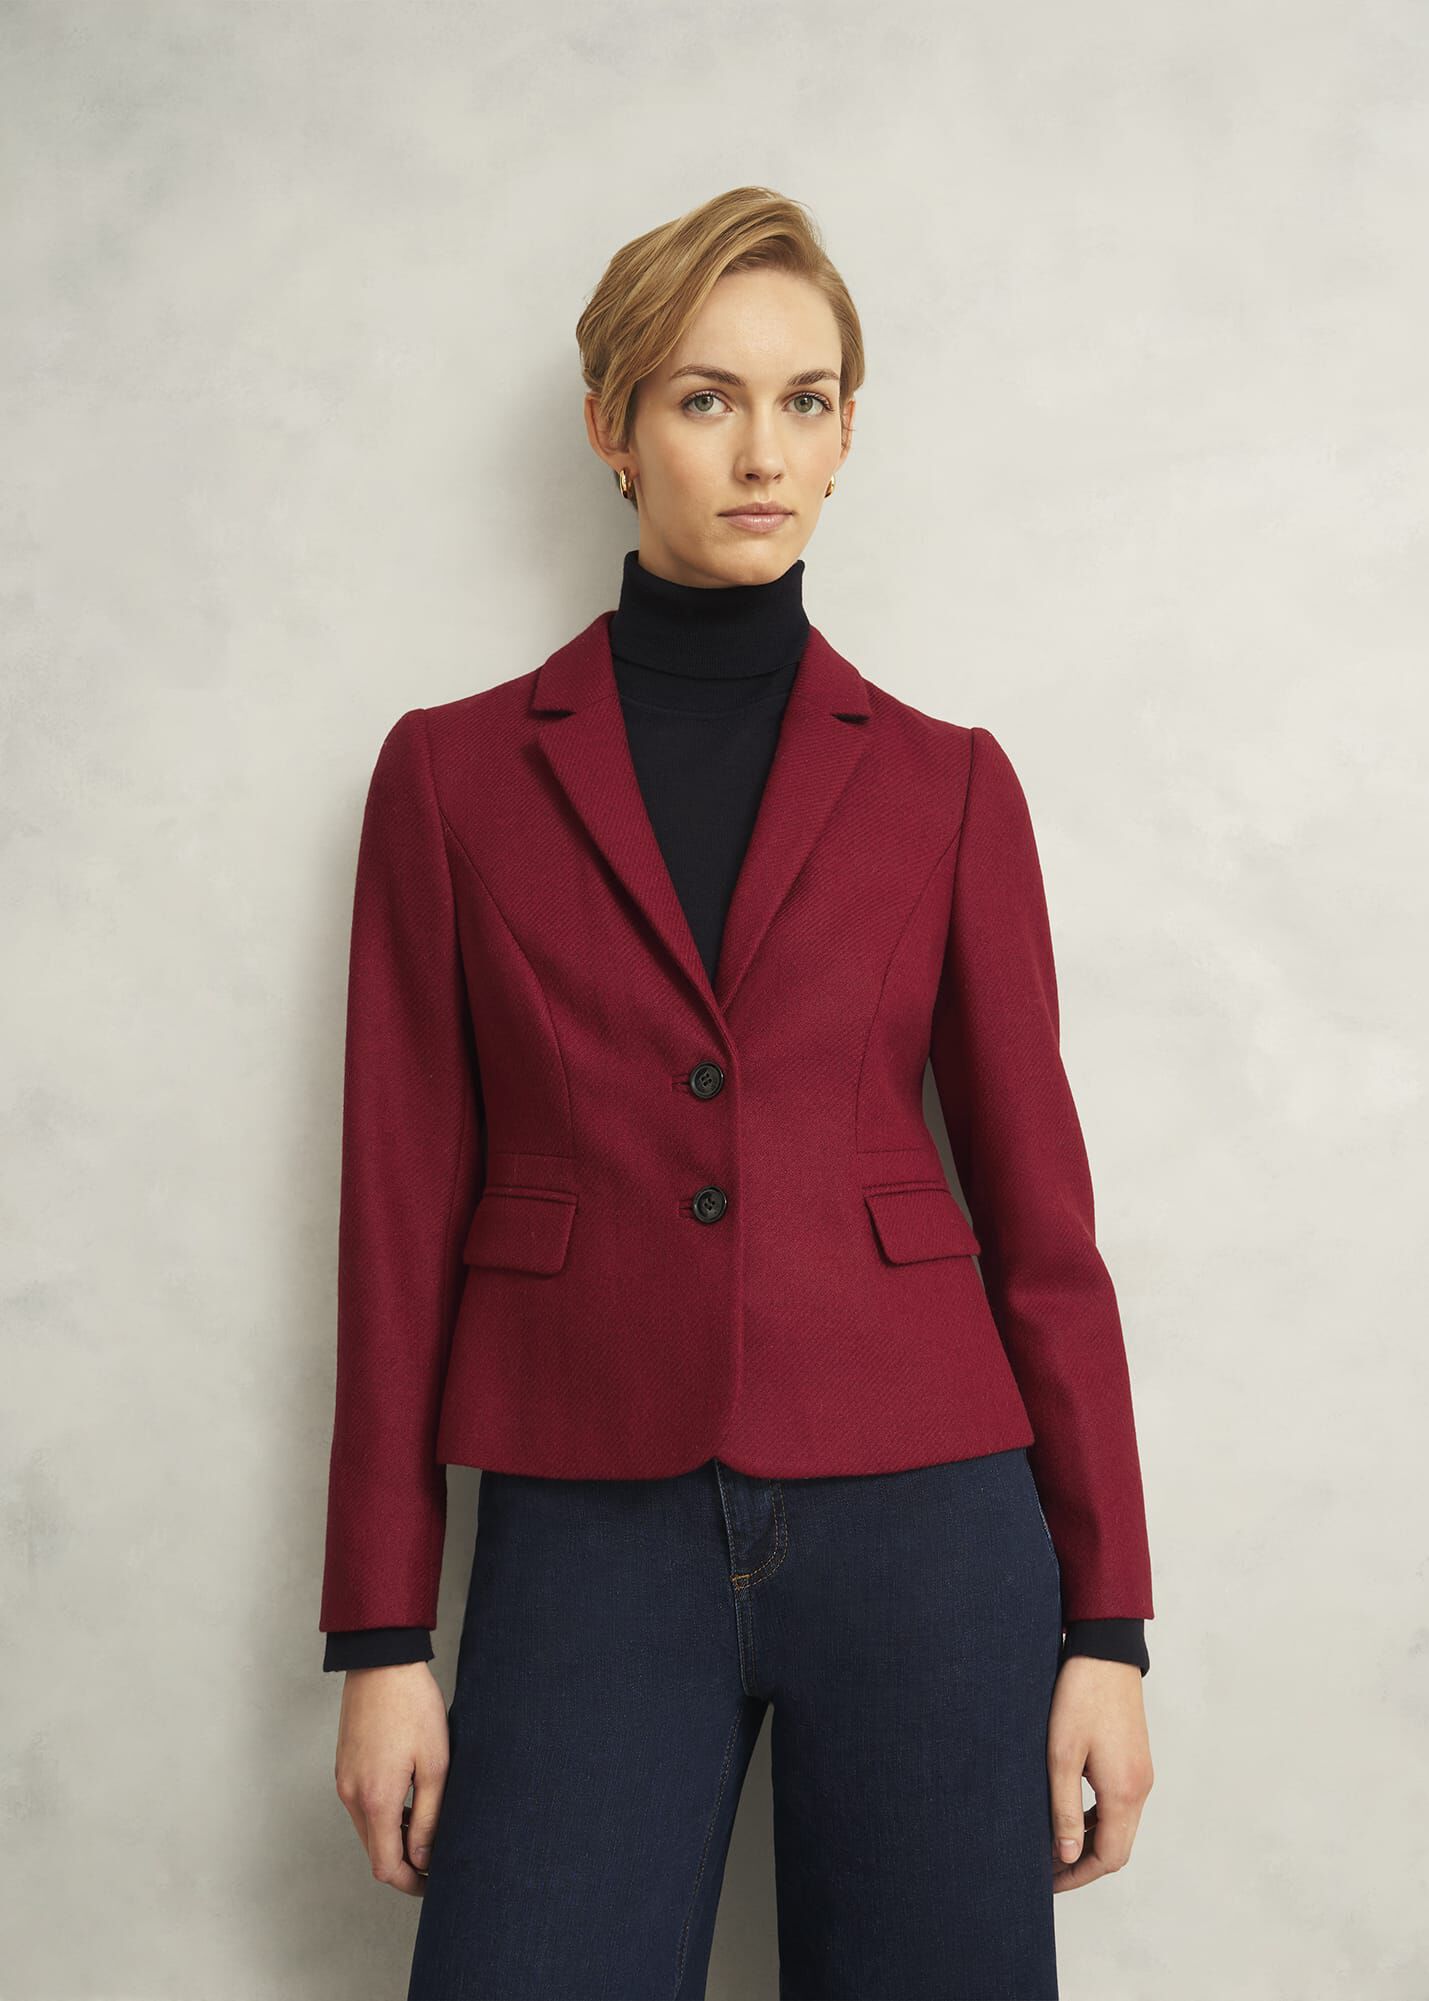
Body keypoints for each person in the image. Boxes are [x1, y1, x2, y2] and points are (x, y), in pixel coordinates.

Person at [319, 185, 1155, 2001]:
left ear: (847, 433)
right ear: (612, 427)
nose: (761, 451)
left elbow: (1043, 1225)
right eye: (705, 399)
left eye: (803, 399)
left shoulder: (946, 785)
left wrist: (1108, 1620)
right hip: (585, 1515)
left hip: (928, 1517)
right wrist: (379, 1635)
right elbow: (392, 1217)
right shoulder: (451, 778)